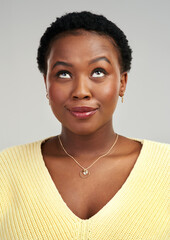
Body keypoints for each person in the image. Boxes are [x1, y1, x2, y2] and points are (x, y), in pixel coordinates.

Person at [0, 11, 169, 240]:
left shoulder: (166, 168)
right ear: (46, 83)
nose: (80, 91)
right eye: (64, 74)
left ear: (122, 83)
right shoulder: (6, 169)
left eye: (98, 72)